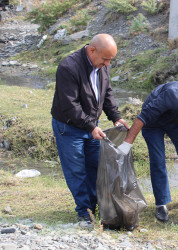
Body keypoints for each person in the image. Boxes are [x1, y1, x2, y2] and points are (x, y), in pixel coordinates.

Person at [51, 34, 129, 224]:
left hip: (92, 126)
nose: (108, 64)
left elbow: (107, 93)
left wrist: (116, 117)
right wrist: (91, 126)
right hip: (68, 128)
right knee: (77, 171)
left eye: (111, 60)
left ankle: (96, 207)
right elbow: (70, 105)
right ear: (92, 50)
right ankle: (84, 212)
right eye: (105, 59)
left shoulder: (101, 66)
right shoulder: (68, 67)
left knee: (96, 167)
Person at [118, 80, 178, 222]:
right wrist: (127, 144)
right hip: (153, 123)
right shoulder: (172, 95)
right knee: (158, 161)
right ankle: (161, 204)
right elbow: (143, 118)